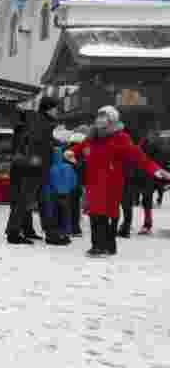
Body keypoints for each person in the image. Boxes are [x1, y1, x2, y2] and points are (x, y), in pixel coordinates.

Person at [65, 106, 170, 257]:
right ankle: (104, 246)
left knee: (103, 215)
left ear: (112, 120)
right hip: (93, 181)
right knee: (95, 214)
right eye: (99, 116)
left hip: (111, 182)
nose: (100, 119)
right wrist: (71, 152)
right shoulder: (93, 136)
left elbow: (138, 156)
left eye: (104, 116)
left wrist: (155, 169)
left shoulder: (121, 138)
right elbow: (81, 147)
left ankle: (101, 246)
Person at [6, 99, 57, 244]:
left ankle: (32, 231)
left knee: (32, 200)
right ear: (49, 109)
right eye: (55, 108)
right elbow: (36, 141)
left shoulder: (39, 120)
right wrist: (35, 158)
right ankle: (14, 233)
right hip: (35, 167)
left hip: (32, 166)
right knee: (25, 200)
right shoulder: (41, 121)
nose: (57, 111)